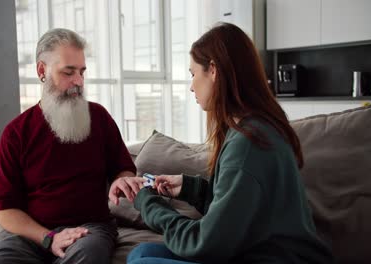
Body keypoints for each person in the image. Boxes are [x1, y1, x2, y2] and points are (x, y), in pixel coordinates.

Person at [127, 23, 334, 264]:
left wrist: (147, 203)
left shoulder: (249, 144)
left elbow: (204, 243)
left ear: (213, 70)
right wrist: (189, 188)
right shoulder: (252, 127)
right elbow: (239, 212)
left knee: (143, 262)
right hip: (255, 252)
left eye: (193, 74)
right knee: (141, 253)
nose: (191, 86)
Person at [0, 28, 145, 264]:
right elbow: (5, 212)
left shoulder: (99, 117)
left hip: (89, 230)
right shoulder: (16, 133)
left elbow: (123, 169)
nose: (78, 81)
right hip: (33, 235)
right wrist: (49, 237)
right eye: (68, 72)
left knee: (88, 254)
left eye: (81, 72)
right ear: (41, 70)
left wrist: (121, 179)